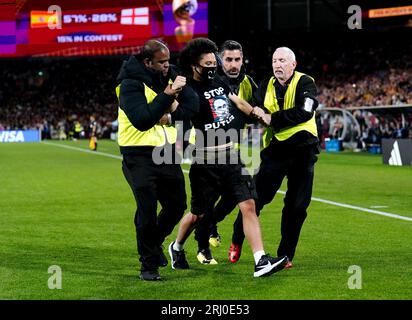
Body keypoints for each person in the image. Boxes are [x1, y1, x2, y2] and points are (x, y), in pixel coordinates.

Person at [168, 38, 288, 278]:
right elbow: (174, 115)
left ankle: (260, 260)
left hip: (231, 156)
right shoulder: (187, 90)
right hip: (205, 161)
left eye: (215, 62)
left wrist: (255, 113)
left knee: (249, 205)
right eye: (208, 63)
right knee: (198, 214)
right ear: (195, 65)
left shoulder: (220, 81)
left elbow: (236, 101)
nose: (213, 67)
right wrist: (171, 96)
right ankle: (177, 246)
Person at [228, 47, 320, 268]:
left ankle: (285, 255)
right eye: (274, 60)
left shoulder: (306, 82)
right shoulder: (267, 83)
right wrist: (256, 112)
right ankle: (237, 239)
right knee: (255, 199)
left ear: (293, 64)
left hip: (303, 150)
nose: (277, 64)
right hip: (276, 150)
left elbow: (306, 111)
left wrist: (272, 118)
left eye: (282, 60)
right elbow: (257, 109)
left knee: (297, 206)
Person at [116, 39, 198, 281]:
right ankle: (148, 266)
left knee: (176, 207)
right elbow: (142, 119)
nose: (167, 66)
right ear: (147, 62)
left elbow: (192, 107)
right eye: (161, 62)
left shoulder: (172, 74)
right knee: (147, 209)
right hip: (137, 153)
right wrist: (169, 96)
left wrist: (171, 114)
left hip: (167, 151)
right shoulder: (128, 85)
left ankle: (154, 243)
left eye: (168, 61)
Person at [196, 40, 258, 249]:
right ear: (219, 61)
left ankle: (211, 224)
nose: (233, 64)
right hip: (209, 152)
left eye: (237, 59)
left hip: (235, 150)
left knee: (236, 196)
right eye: (228, 59)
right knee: (206, 202)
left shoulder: (248, 83)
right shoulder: (211, 82)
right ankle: (201, 246)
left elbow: (256, 108)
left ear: (242, 60)